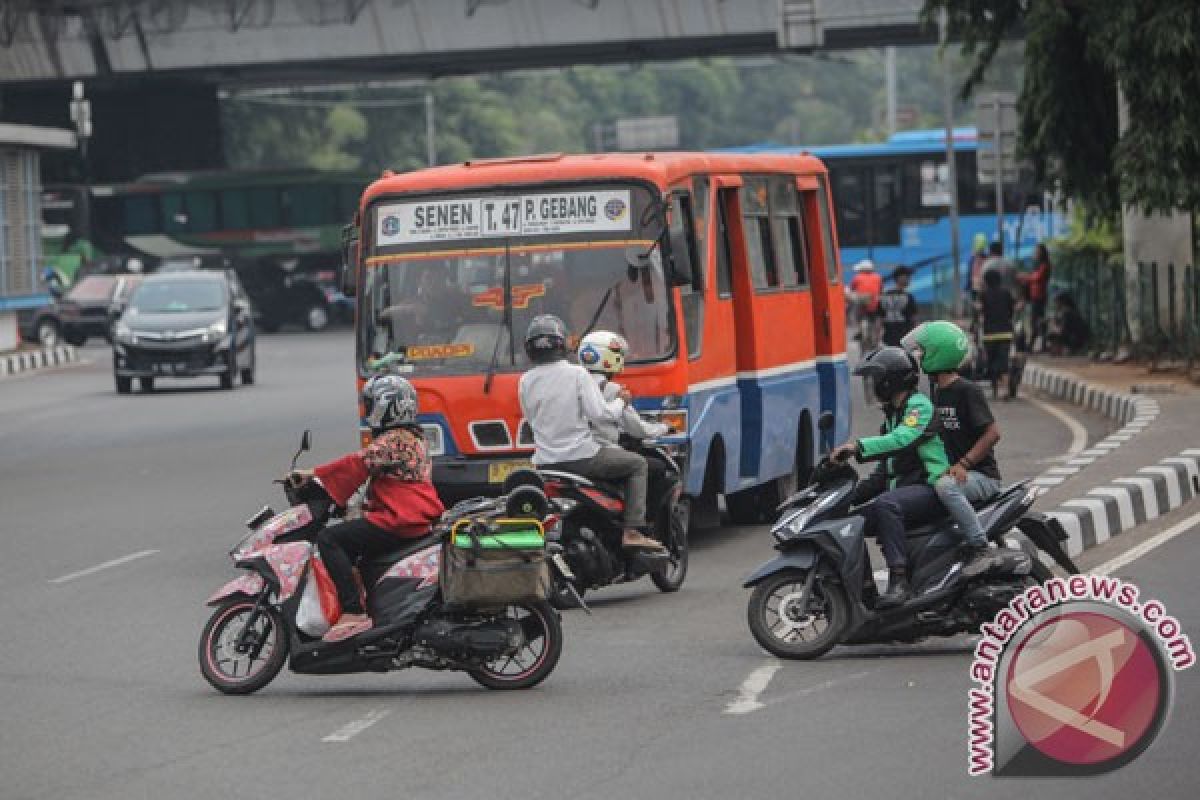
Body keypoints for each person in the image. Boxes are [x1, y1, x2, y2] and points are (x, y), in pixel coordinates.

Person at [292, 374, 445, 642]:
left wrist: (312, 474)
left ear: (387, 407)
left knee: (330, 539)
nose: (368, 411)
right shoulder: (412, 438)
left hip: (400, 519)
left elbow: (358, 463)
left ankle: (354, 612)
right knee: (353, 542)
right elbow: (373, 479)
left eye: (371, 405)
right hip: (409, 516)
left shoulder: (397, 440)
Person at [518, 315, 665, 553]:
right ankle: (633, 530)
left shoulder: (525, 380)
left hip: (545, 464)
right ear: (562, 344)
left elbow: (531, 419)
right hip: (582, 459)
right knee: (638, 464)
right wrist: (620, 401)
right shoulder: (577, 374)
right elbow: (601, 415)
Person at [830, 347, 950, 608]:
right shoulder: (892, 417)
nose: (871, 386)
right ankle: (865, 590)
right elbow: (882, 475)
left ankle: (899, 581)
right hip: (906, 491)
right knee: (851, 523)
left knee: (887, 504)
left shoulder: (918, 407)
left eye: (875, 379)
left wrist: (856, 447)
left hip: (932, 488)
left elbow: (902, 440)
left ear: (891, 380)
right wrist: (844, 497)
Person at [901, 321, 1006, 577]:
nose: (919, 358)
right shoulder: (936, 393)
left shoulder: (967, 391)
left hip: (981, 476)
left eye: (923, 352)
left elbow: (993, 433)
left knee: (944, 486)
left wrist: (964, 464)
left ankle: (980, 546)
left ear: (938, 353)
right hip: (955, 473)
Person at [978, 268, 1016, 400]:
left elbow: (981, 313)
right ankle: (1004, 390)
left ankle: (995, 390)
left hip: (989, 334)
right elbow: (1011, 312)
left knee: (992, 361)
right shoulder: (1006, 293)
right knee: (1003, 362)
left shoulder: (983, 294)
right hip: (1005, 333)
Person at [1018, 243, 1052, 351]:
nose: (1035, 254)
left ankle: (1035, 344)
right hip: (1034, 296)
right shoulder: (1036, 265)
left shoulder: (1045, 265)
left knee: (1037, 321)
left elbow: (1036, 277)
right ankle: (1038, 343)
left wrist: (1025, 277)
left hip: (1039, 297)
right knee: (1036, 321)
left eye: (1037, 252)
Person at [878, 265, 918, 347]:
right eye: (907, 277)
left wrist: (878, 336)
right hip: (905, 336)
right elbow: (913, 318)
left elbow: (880, 318)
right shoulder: (908, 296)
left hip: (887, 337)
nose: (909, 280)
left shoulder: (884, 295)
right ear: (900, 278)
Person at [847, 259, 883, 347]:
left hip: (862, 304)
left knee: (855, 313)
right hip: (875, 304)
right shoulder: (878, 277)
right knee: (876, 319)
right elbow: (880, 290)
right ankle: (877, 338)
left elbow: (851, 289)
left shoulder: (857, 277)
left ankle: (859, 330)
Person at [966, 232, 990, 304]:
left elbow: (970, 275)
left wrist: (967, 288)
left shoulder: (973, 259)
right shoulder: (987, 259)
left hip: (978, 287)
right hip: (982, 287)